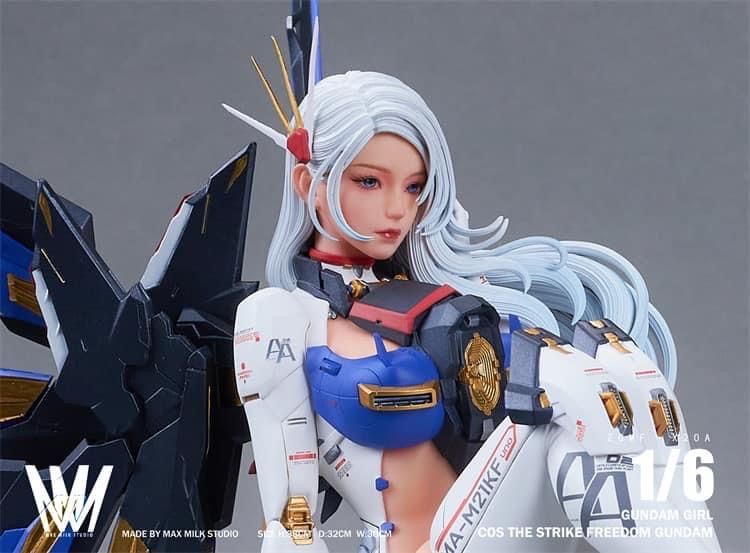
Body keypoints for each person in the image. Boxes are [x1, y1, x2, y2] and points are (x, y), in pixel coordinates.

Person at [230, 65, 719, 553]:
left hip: (485, 532)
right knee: (563, 415)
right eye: (370, 181)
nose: (398, 209)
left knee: (627, 387)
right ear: (307, 182)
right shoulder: (281, 319)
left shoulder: (439, 301)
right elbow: (289, 513)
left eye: (414, 187)